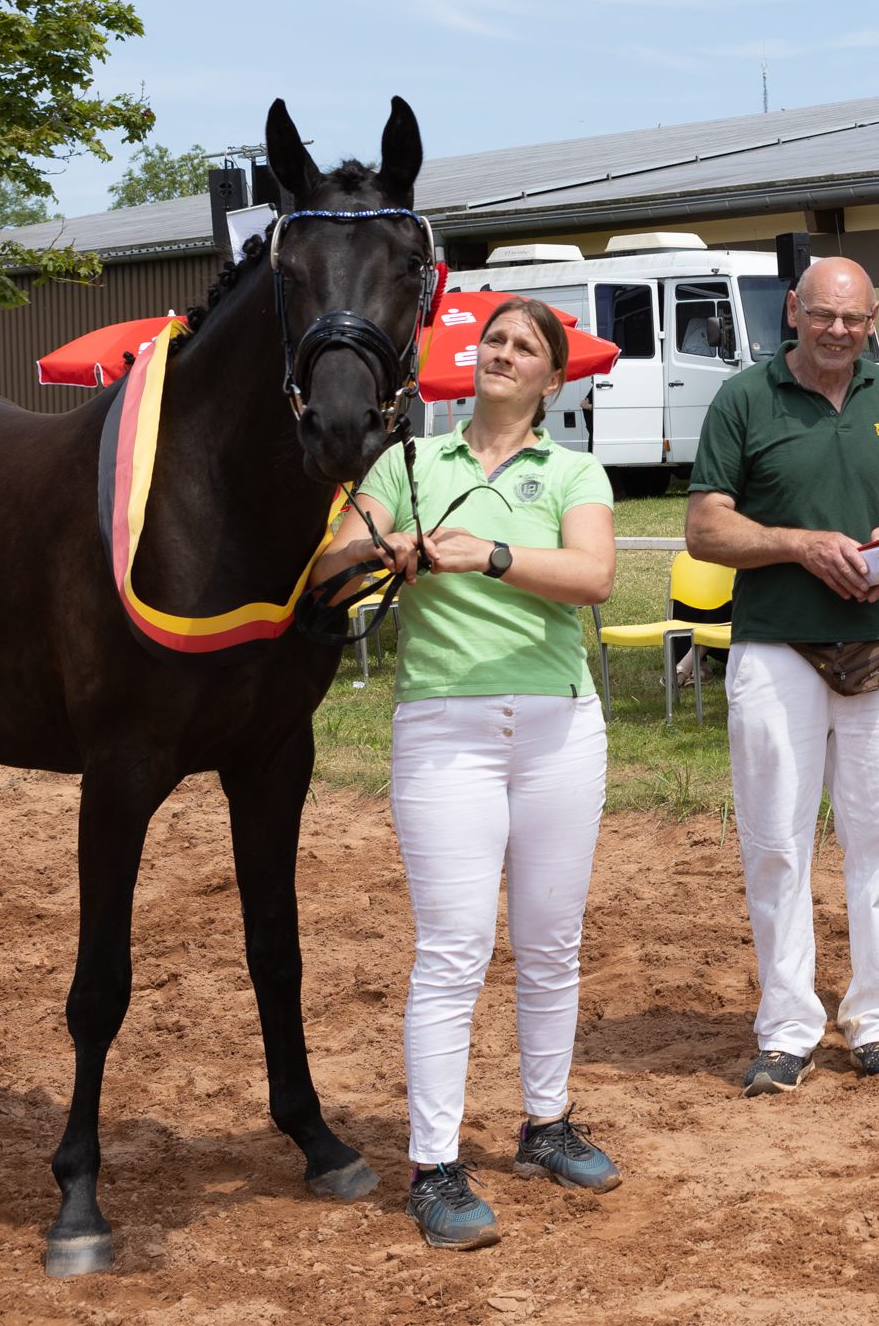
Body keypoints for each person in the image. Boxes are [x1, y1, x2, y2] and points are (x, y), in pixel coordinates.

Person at [312, 296, 620, 1250]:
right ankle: (434, 1165)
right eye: (494, 340)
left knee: (550, 941)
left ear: (551, 379)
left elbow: (594, 576)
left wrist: (487, 556)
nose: (504, 353)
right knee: (454, 949)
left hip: (560, 727)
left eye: (525, 347)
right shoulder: (408, 460)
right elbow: (326, 568)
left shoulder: (574, 468)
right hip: (443, 725)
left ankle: (544, 1123)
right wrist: (381, 546)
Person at [685, 256, 879, 1095]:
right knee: (776, 845)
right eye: (824, 315)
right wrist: (798, 543)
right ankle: (787, 1028)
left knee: (877, 839)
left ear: (873, 322)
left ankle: (877, 1021)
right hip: (775, 648)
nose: (839, 331)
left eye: (855, 319)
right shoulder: (743, 399)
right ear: (793, 310)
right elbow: (704, 529)